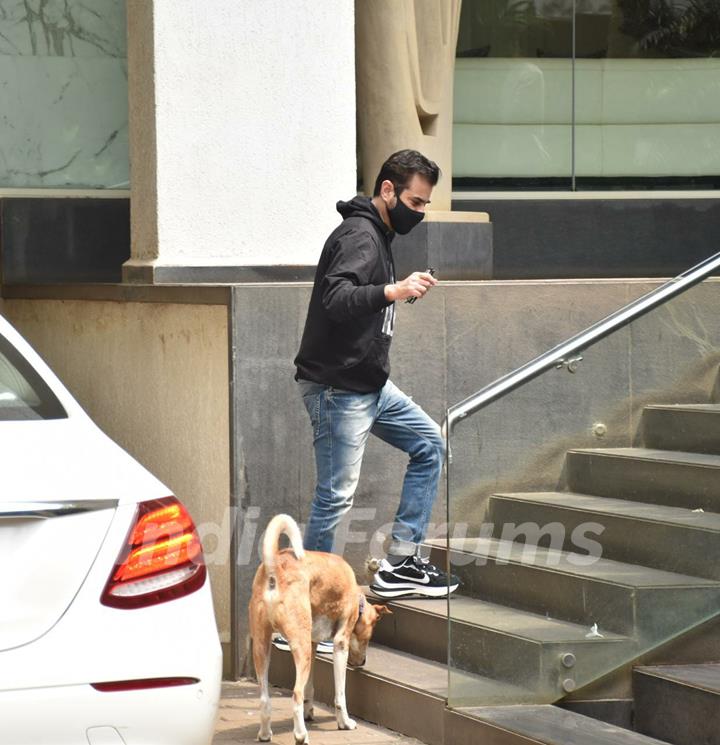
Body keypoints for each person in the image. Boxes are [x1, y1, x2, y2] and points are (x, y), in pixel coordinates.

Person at [293, 149, 459, 600]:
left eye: (425, 204)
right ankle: (302, 608)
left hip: (368, 384)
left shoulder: (378, 234)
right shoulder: (360, 236)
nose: (419, 213)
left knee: (429, 445)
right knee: (335, 498)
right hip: (338, 389)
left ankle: (402, 563)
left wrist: (393, 292)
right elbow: (336, 298)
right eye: (416, 202)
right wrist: (394, 289)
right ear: (388, 190)